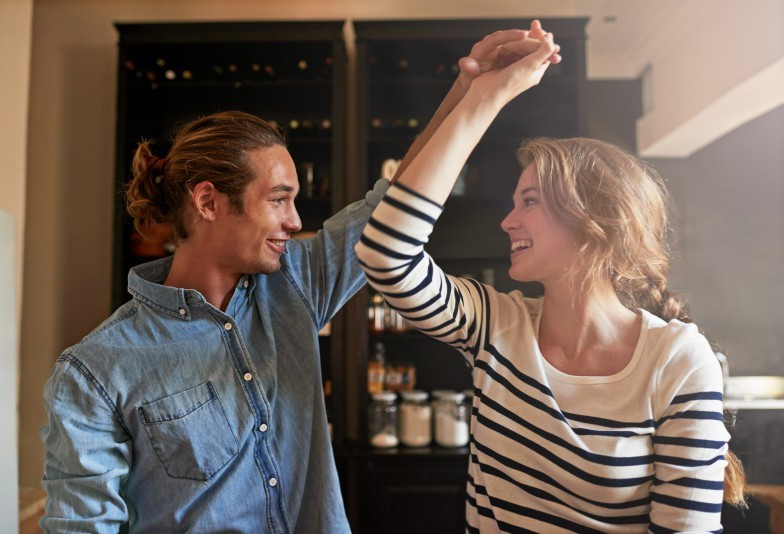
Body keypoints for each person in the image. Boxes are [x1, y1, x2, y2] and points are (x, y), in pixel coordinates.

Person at [39, 26, 557, 533]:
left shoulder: (294, 285)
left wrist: (466, 88)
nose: (293, 220)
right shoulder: (95, 372)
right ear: (208, 202)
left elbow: (395, 200)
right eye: (278, 199)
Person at [355, 24, 744, 533]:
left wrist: (490, 94)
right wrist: (479, 98)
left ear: (596, 221)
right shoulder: (496, 326)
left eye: (530, 201)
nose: (507, 221)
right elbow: (384, 251)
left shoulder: (676, 361)